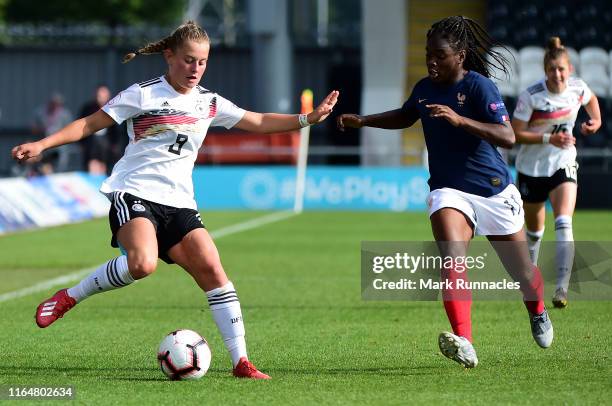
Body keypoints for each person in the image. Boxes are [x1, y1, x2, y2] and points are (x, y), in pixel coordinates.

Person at [12, 21, 339, 379]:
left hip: (180, 204)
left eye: (201, 62)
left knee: (214, 271)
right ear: (169, 56)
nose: (194, 69)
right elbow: (90, 124)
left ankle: (241, 362)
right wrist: (42, 145)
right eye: (187, 60)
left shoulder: (208, 102)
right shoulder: (143, 94)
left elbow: (257, 120)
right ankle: (69, 296)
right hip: (134, 192)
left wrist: (307, 118)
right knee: (142, 265)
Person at [337, 16, 552, 368]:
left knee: (523, 275)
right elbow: (407, 115)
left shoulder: (480, 87)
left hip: (493, 191)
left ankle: (538, 309)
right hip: (449, 190)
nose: (431, 61)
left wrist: (460, 120)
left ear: (460, 56)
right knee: (452, 260)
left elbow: (508, 136)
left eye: (439, 55)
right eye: (428, 54)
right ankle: (464, 339)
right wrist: (364, 120)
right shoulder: (424, 88)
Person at [512, 37, 601, 309]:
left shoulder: (578, 88)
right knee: (535, 232)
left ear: (570, 69)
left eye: (562, 69)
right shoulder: (532, 96)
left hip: (562, 162)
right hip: (531, 168)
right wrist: (546, 139)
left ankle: (562, 288)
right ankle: (530, 281)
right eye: (552, 69)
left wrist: (595, 120)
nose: (558, 74)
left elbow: (592, 99)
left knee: (564, 221)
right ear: (545, 70)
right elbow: (515, 133)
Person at [78, 84, 120, 175]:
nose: (101, 98)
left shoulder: (113, 109)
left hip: (106, 148)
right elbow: (80, 126)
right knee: (92, 168)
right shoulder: (88, 109)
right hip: (91, 145)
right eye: (99, 96)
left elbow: (115, 130)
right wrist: (82, 144)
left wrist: (114, 145)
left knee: (104, 169)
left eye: (103, 96)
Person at [30, 92, 75, 174]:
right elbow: (33, 128)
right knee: (43, 166)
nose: (55, 106)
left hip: (60, 145)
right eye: (53, 103)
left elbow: (71, 129)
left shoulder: (65, 114)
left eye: (58, 104)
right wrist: (43, 130)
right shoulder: (40, 112)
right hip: (44, 145)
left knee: (60, 167)